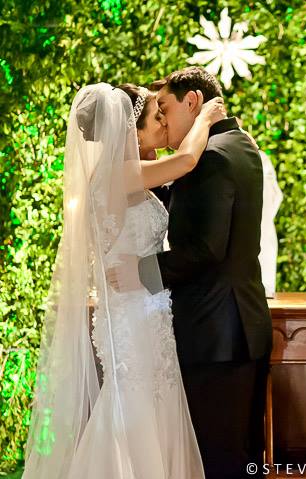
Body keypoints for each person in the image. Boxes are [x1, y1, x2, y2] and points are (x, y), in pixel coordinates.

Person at [22, 82, 226, 479]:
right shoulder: (118, 174)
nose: (163, 122)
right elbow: (186, 161)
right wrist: (204, 118)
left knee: (153, 402)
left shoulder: (126, 174)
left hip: (148, 313)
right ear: (130, 129)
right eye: (157, 117)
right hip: (131, 316)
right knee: (133, 405)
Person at [143, 66, 272, 479]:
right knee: (242, 457)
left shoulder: (209, 158)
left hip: (214, 334)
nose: (163, 120)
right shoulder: (241, 144)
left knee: (216, 460)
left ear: (193, 102)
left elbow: (204, 250)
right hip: (242, 326)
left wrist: (138, 273)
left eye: (165, 108)